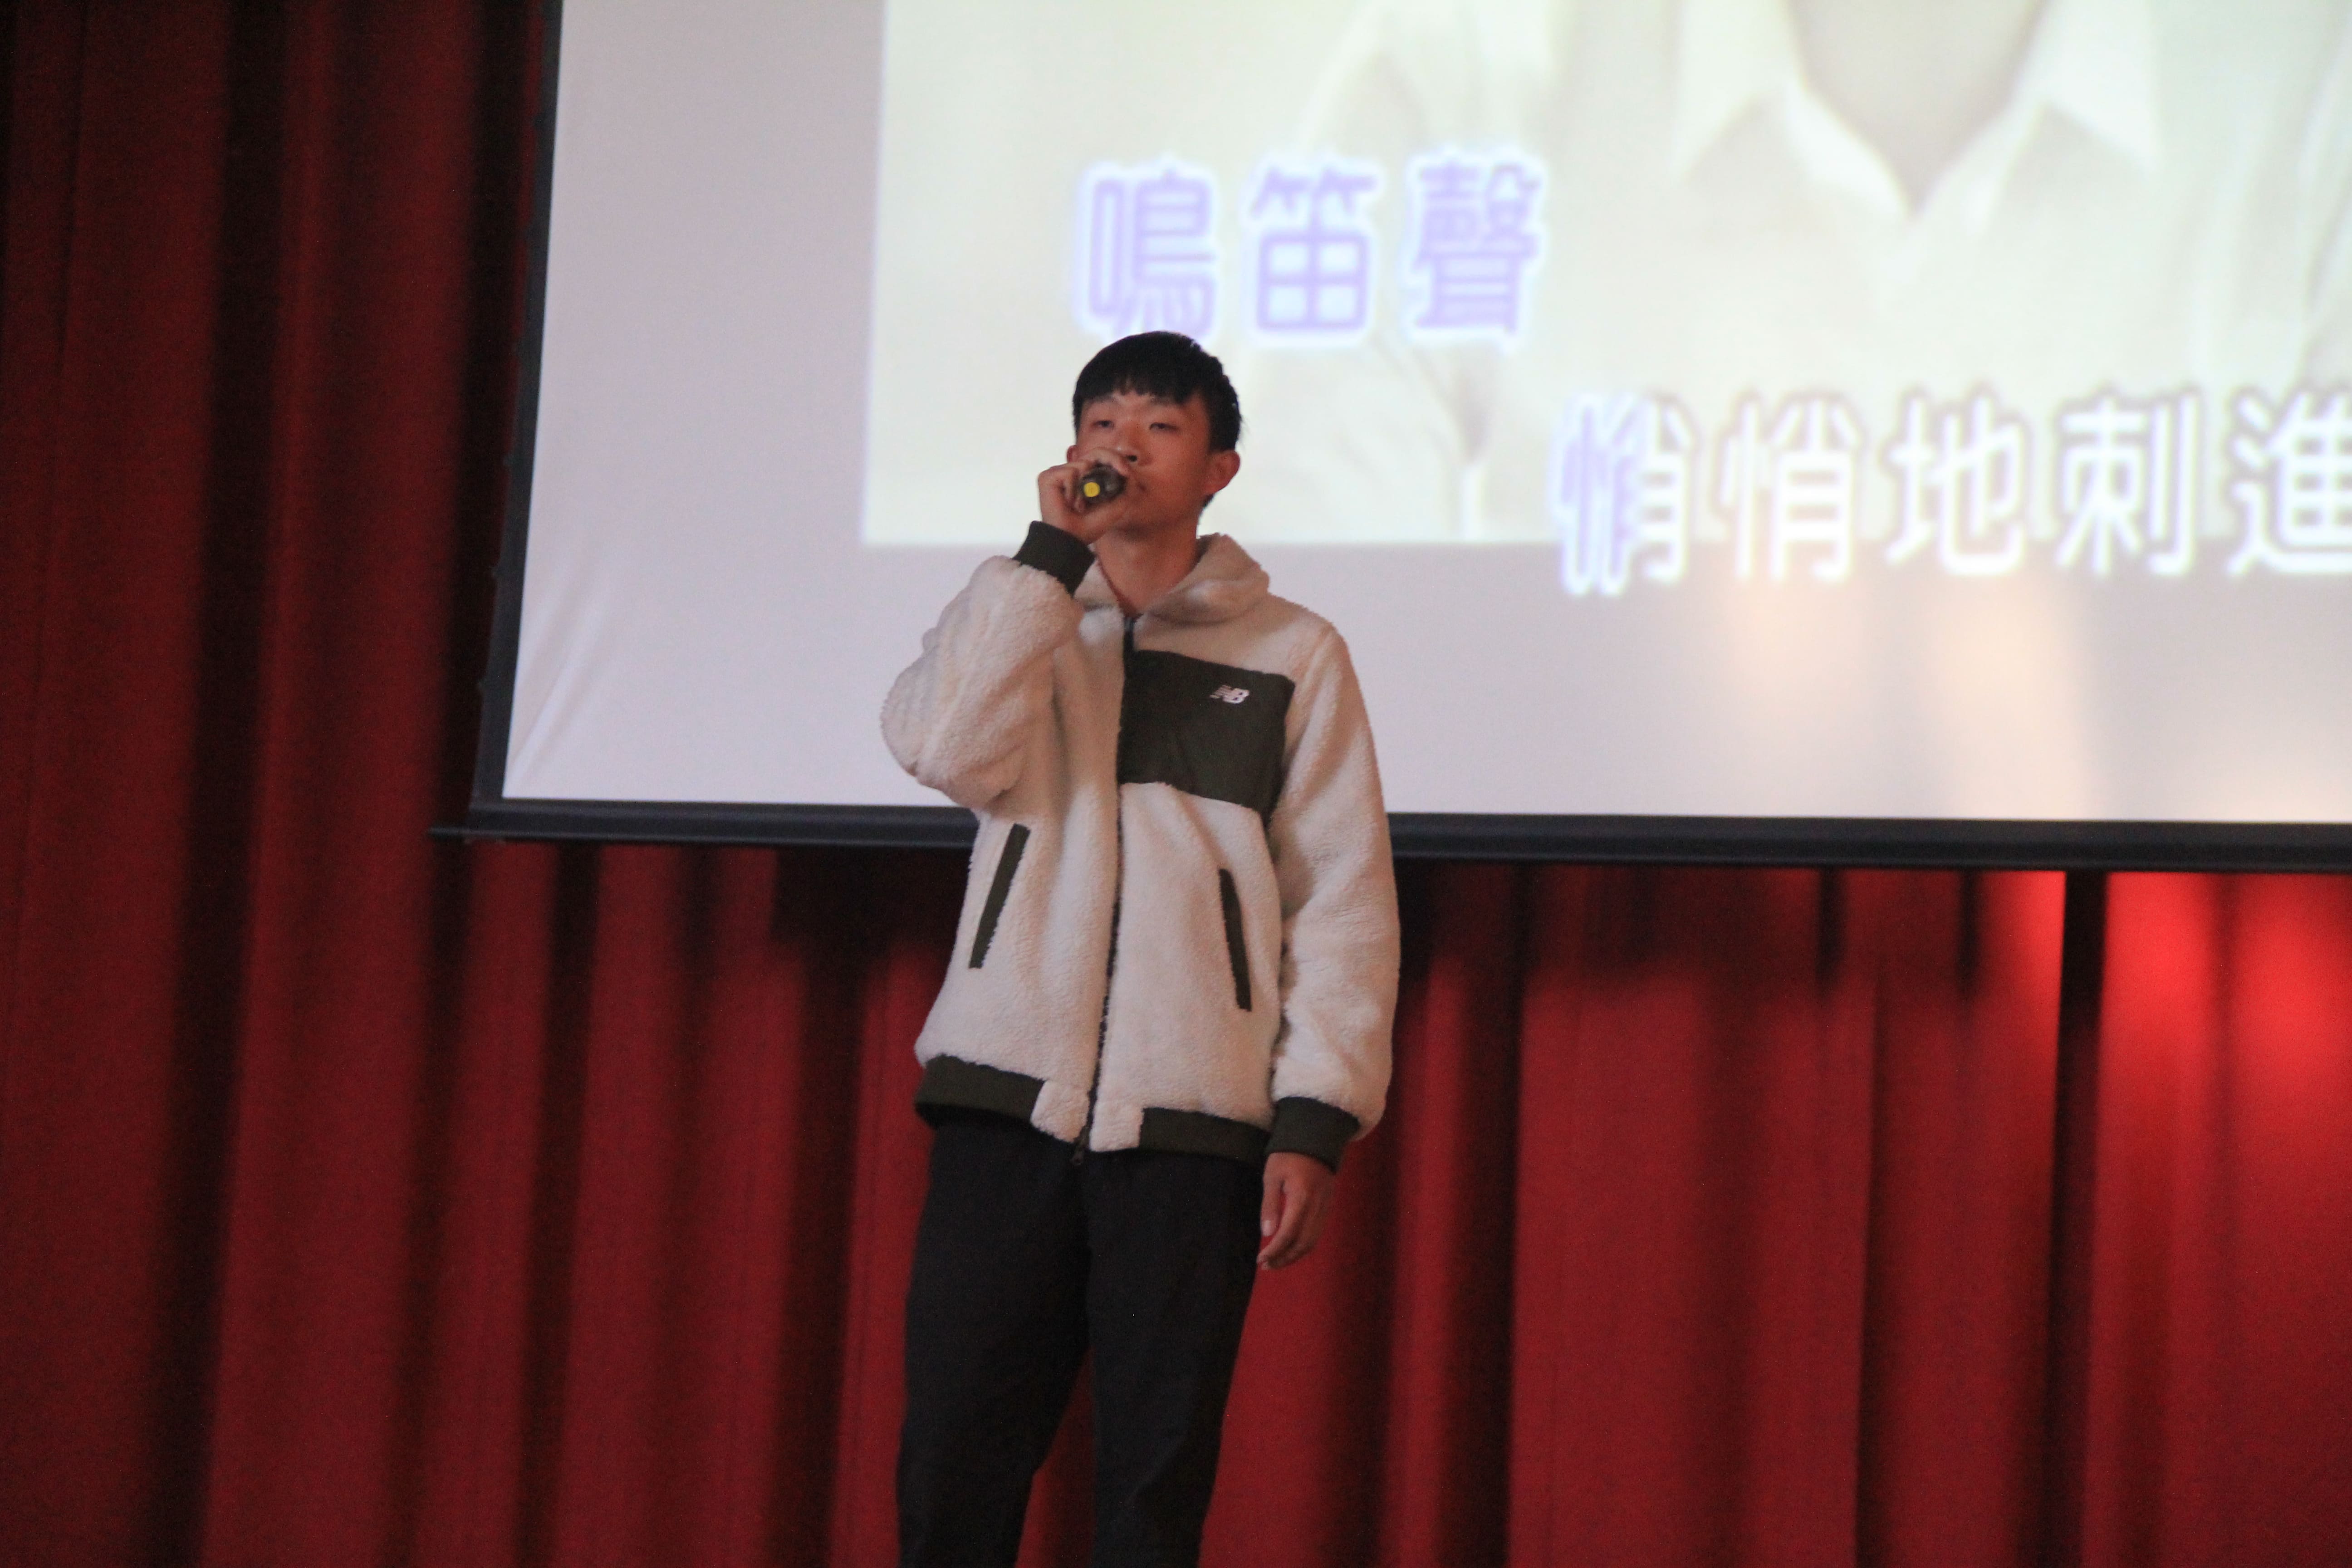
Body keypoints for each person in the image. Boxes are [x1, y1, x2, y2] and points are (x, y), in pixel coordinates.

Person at [880, 330, 1400, 1565]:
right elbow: (943, 751)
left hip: (1191, 1125)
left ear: (1219, 469)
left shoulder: (1294, 652)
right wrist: (1045, 567)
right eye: (1103, 423)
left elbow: (1340, 896)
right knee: (953, 1458)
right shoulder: (1019, 612)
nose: (1124, 444)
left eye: (1160, 426)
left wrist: (1314, 1119)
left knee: (1154, 1488)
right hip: (1004, 1106)